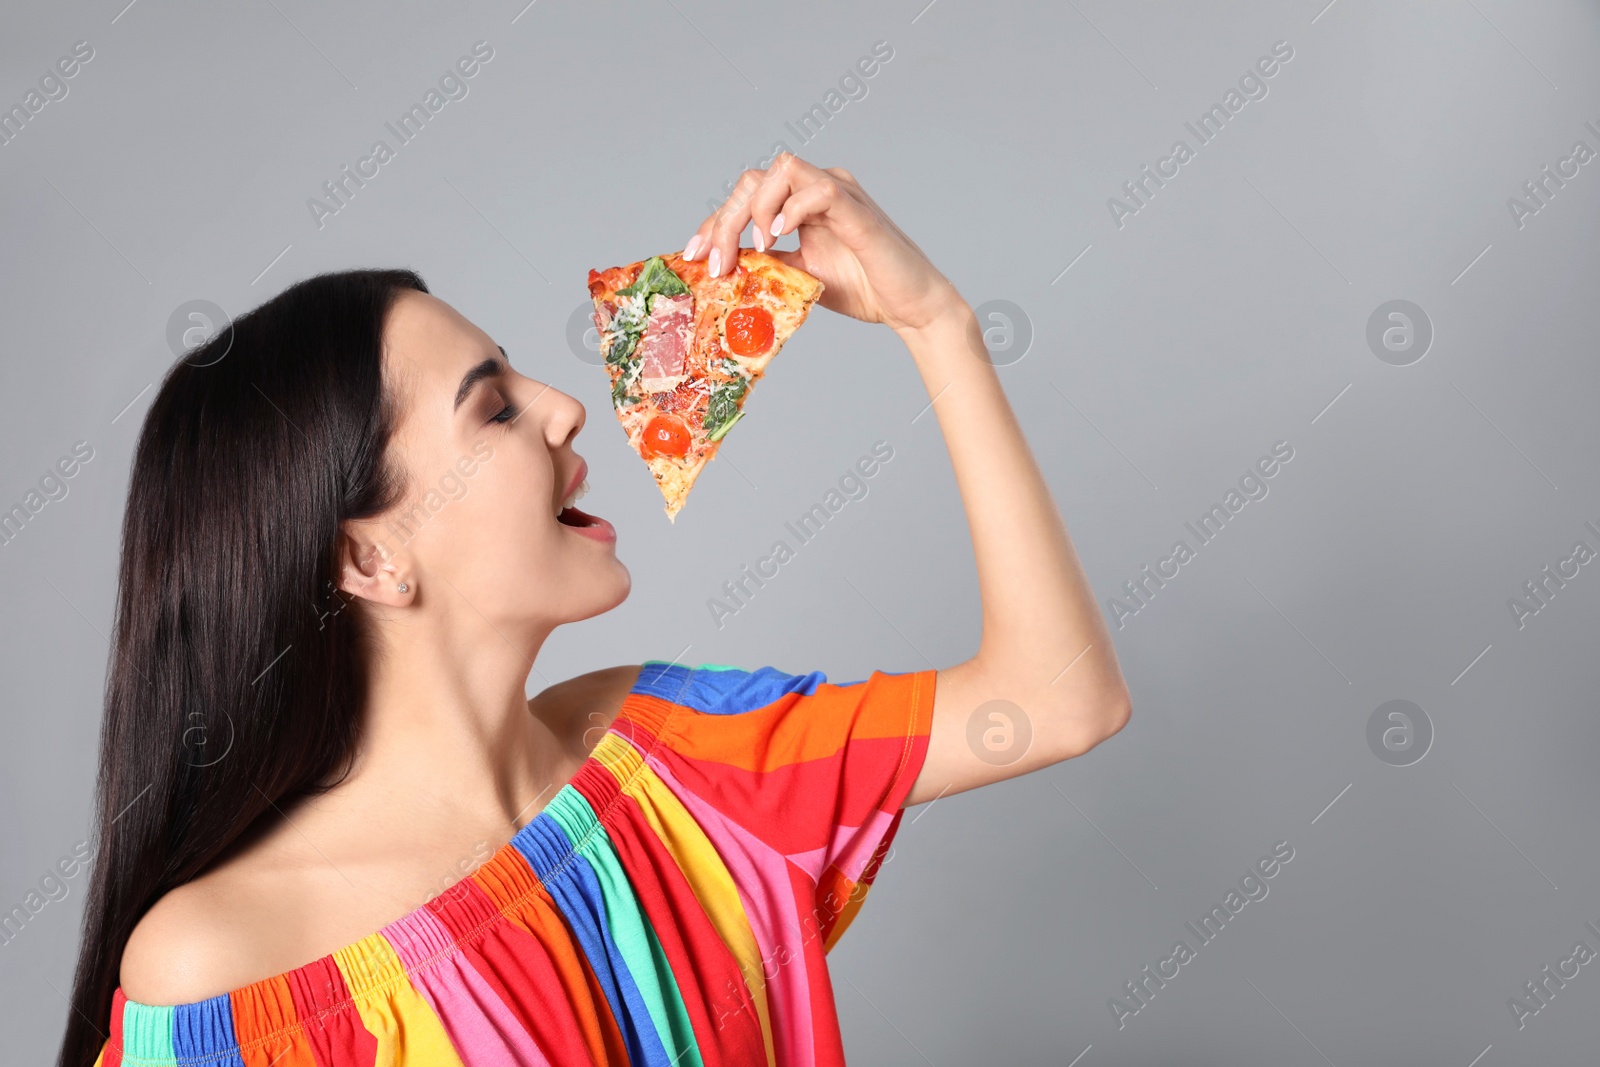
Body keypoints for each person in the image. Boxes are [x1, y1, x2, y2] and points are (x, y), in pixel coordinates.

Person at [60, 153, 1130, 1067]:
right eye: (493, 405)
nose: (567, 405)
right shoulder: (221, 962)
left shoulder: (668, 758)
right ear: (370, 555)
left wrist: (934, 322)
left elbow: (1055, 697)